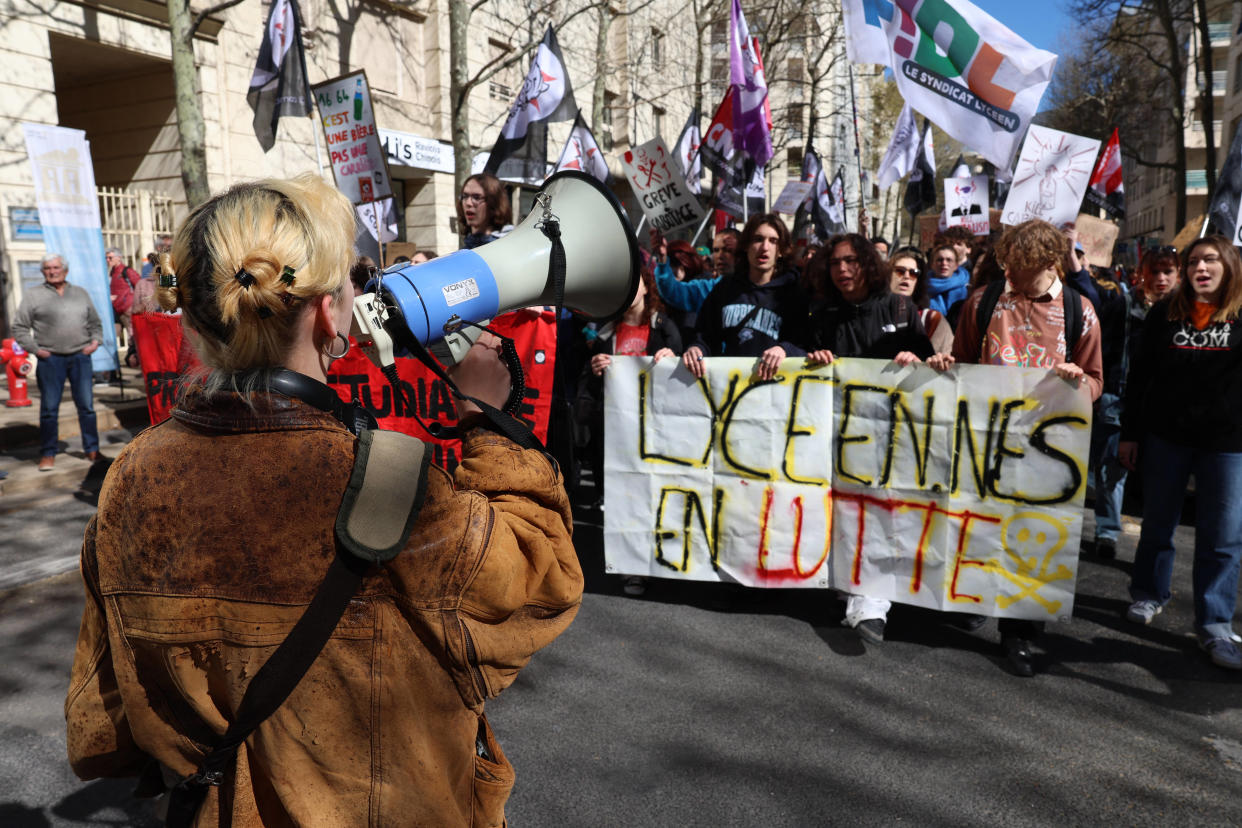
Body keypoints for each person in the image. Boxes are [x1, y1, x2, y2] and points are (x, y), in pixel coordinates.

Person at [64, 175, 583, 825]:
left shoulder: (131, 478)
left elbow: (99, 730)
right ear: (325, 314)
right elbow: (541, 584)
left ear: (193, 319)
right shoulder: (390, 480)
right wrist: (487, 421)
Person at [928, 218, 1102, 677]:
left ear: (1048, 262)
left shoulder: (1080, 310)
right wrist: (947, 365)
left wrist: (1078, 380)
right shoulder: (983, 302)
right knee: (981, 524)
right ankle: (974, 598)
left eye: (1021, 268)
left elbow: (1098, 380)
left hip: (1048, 445)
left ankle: (1020, 633)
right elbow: (964, 364)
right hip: (986, 439)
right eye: (1007, 265)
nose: (1012, 275)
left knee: (1033, 535)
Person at [1119, 236, 1242, 671]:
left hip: (1228, 445)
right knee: (1158, 523)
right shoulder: (1164, 313)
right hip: (1167, 438)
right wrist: (1131, 434)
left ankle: (1214, 625)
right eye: (1194, 262)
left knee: (1223, 537)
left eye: (1210, 260)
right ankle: (1149, 594)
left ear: (1229, 265)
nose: (1200, 268)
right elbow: (1140, 378)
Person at [804, 234, 933, 644]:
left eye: (851, 262)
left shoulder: (899, 307)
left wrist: (917, 360)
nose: (842, 270)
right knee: (845, 511)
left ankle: (871, 603)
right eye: (835, 263)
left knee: (880, 512)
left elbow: (931, 367)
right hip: (839, 435)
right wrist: (814, 358)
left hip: (890, 433)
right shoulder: (822, 315)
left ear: (867, 265)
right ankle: (853, 590)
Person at [578, 265, 680, 593]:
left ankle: (662, 559)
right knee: (626, 498)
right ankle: (633, 567)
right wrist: (595, 367)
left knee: (654, 495)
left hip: (656, 430)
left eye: (633, 282)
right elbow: (589, 383)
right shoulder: (606, 333)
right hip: (617, 431)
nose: (628, 290)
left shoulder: (664, 328)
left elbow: (686, 373)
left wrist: (672, 357)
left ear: (647, 287)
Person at [682, 214, 808, 382]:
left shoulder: (793, 293)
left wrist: (784, 349)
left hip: (776, 392)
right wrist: (697, 349)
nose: (764, 247)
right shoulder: (725, 289)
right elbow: (705, 336)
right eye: (758, 239)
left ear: (781, 251)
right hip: (731, 387)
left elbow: (805, 346)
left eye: (773, 241)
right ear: (747, 246)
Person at [11, 254, 103, 471]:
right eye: (47, 268)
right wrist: (36, 350)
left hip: (81, 357)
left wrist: (95, 342)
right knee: (49, 410)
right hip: (50, 360)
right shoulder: (33, 295)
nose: (52, 271)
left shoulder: (80, 293)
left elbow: (95, 324)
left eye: (55, 267)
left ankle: (92, 449)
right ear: (42, 272)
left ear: (65, 270)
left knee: (87, 407)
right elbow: (19, 328)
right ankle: (48, 453)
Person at [887, 246, 954, 354]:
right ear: (888, 275)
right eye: (900, 271)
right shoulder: (873, 314)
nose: (907, 276)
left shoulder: (932, 320)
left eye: (914, 273)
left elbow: (944, 364)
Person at [457, 173, 514, 249]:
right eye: (465, 196)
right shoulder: (465, 250)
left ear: (494, 202)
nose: (468, 203)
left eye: (476, 197)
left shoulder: (509, 246)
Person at [926, 242, 970, 322]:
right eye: (940, 260)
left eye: (949, 260)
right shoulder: (922, 287)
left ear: (956, 265)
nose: (944, 263)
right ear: (932, 264)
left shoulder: (967, 289)